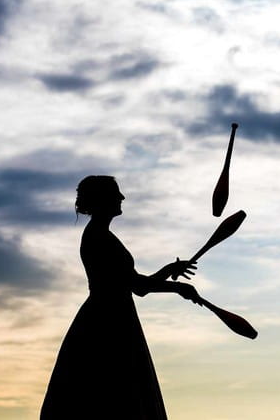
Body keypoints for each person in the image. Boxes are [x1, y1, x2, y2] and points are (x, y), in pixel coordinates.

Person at [41, 175, 200, 419]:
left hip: (109, 316)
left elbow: (134, 283)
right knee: (119, 395)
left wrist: (169, 271)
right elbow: (137, 286)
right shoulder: (99, 238)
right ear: (103, 199)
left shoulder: (100, 235)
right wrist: (177, 288)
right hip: (109, 323)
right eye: (116, 193)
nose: (122, 197)